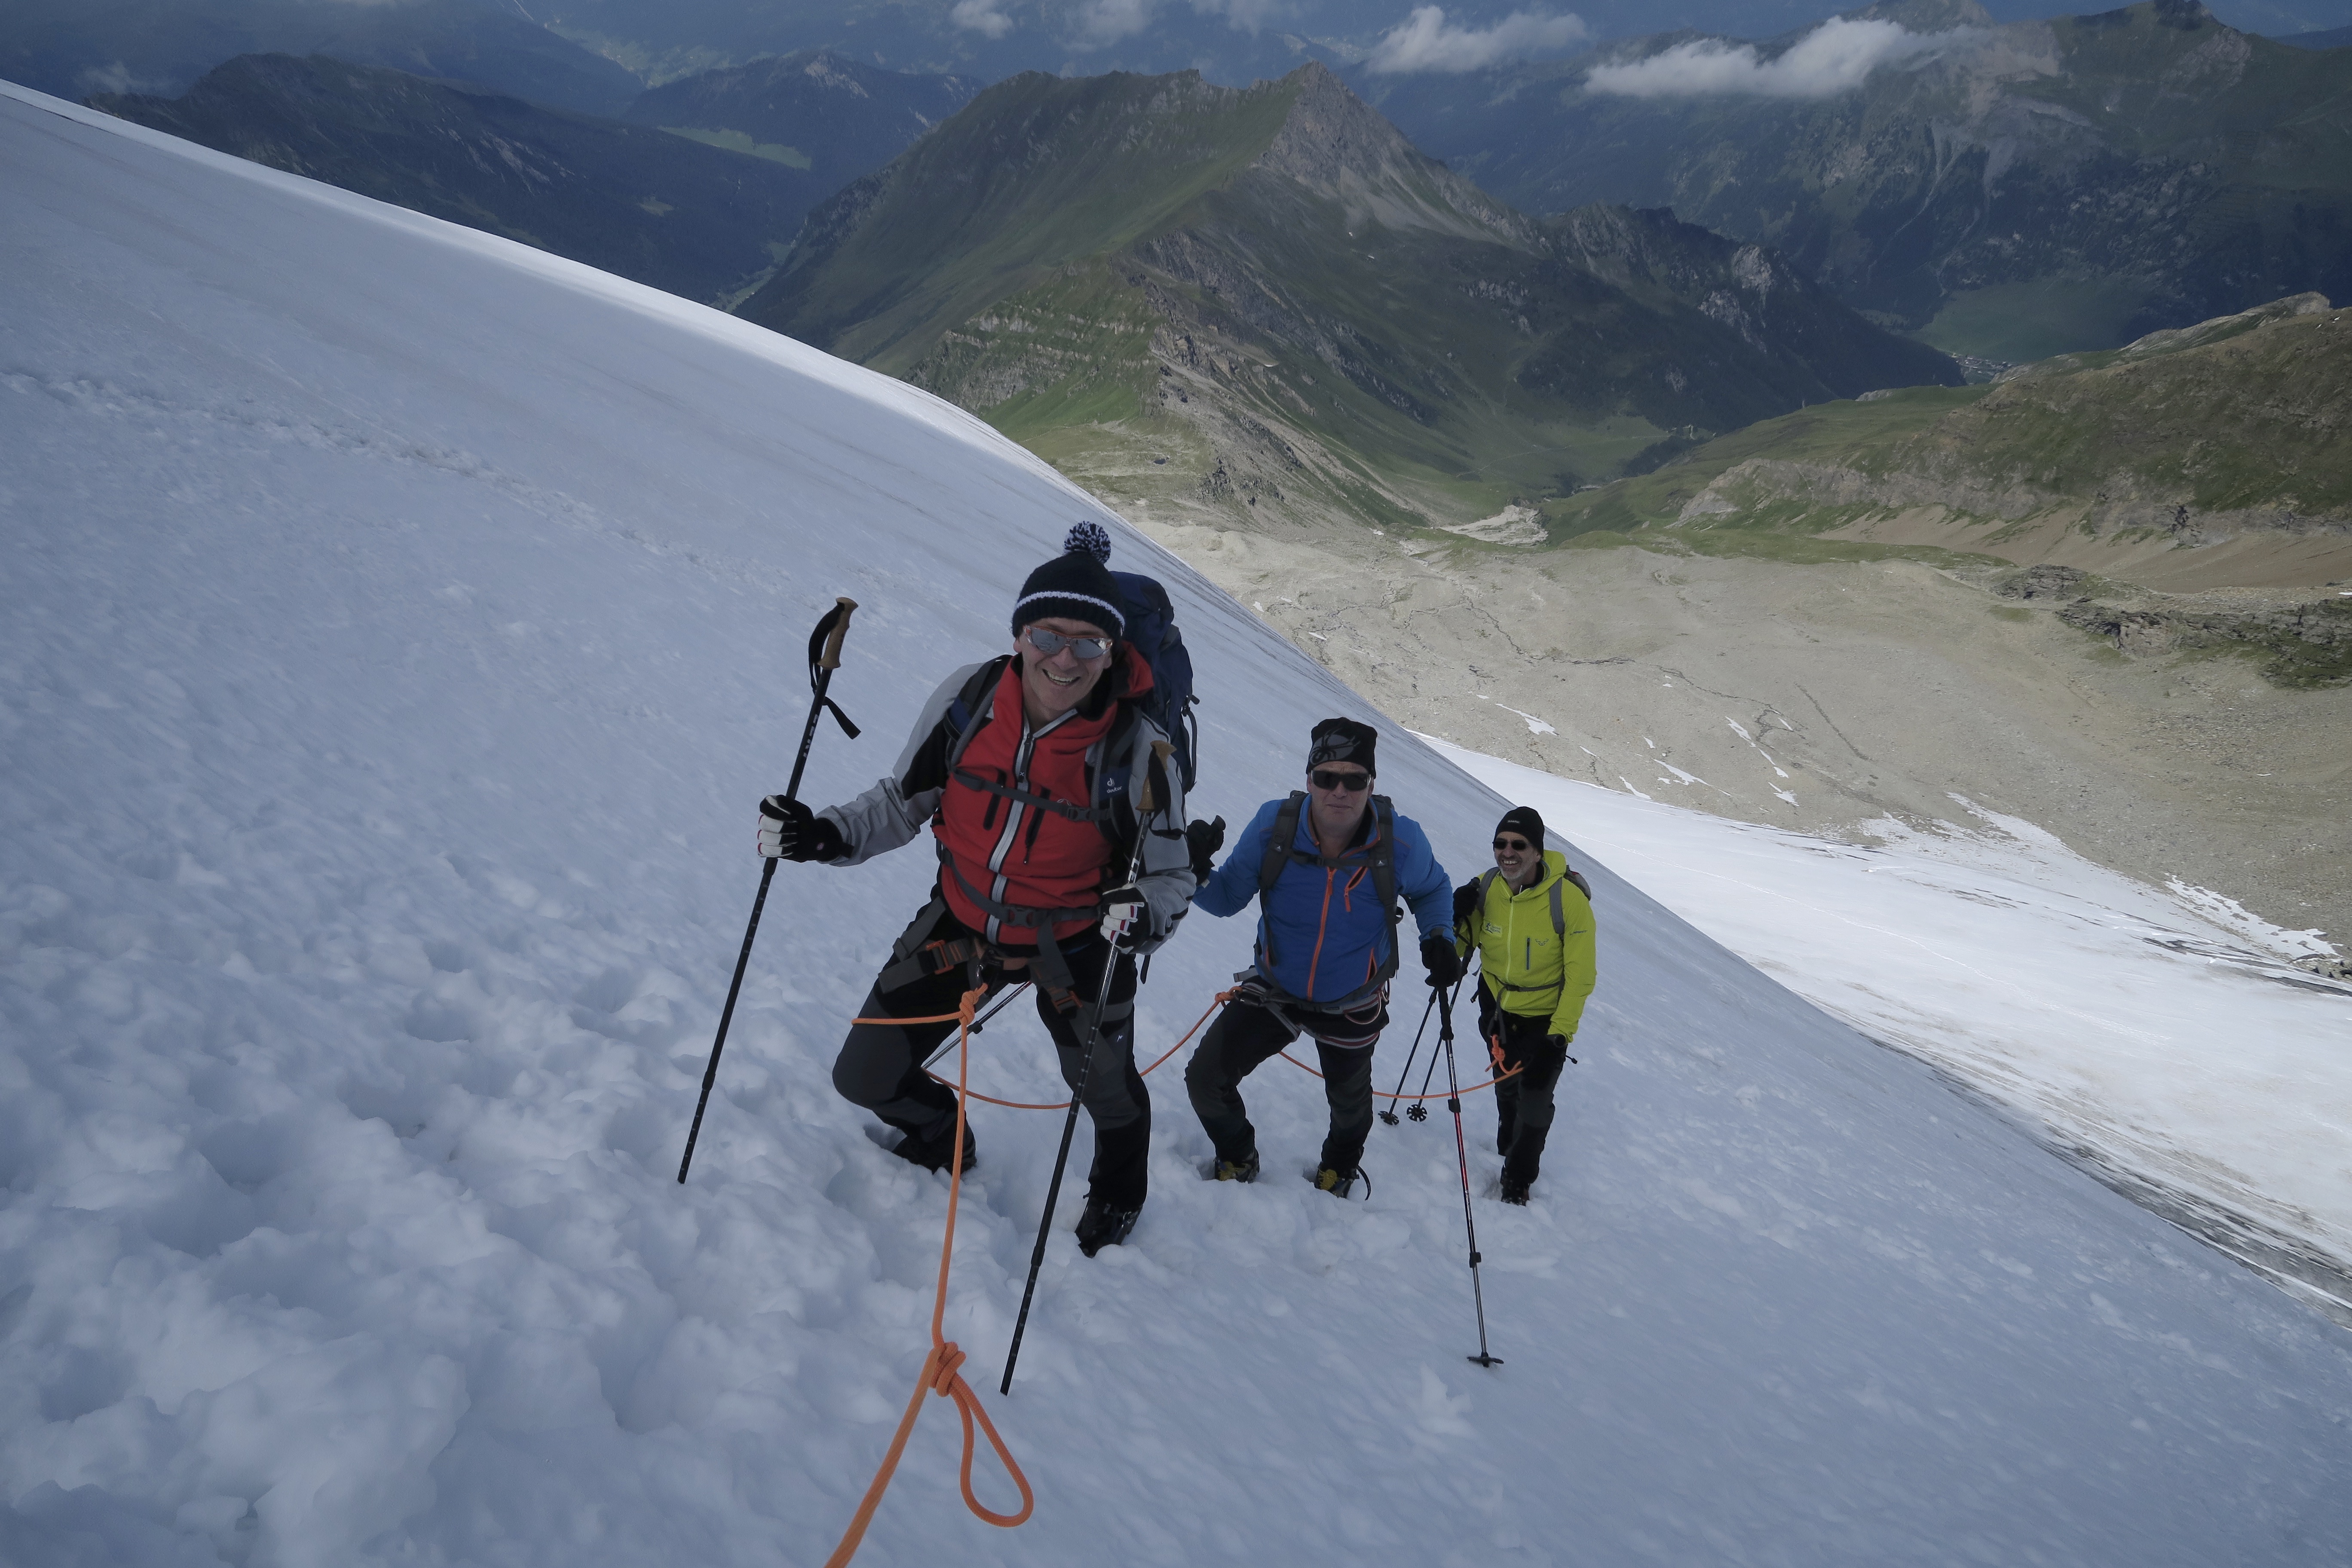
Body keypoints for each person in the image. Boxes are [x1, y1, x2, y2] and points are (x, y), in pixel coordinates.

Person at [757, 539, 1194, 1256]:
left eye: (1090, 641)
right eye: (1047, 634)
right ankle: (940, 1134)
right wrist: (824, 834)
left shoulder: (1140, 751)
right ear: (1019, 635)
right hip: (961, 918)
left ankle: (1119, 1192)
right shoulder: (970, 699)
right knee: (862, 1075)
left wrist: (1141, 914)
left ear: (1113, 652)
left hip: (1079, 941)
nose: (1065, 658)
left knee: (1107, 1092)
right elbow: (904, 802)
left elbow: (1172, 876)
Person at [1185, 719, 1455, 1194]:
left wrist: (1439, 936)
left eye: (1355, 779)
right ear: (1309, 779)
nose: (1340, 790)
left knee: (1351, 1111)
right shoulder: (1275, 826)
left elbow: (1433, 889)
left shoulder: (1400, 841)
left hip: (1352, 996)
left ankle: (1339, 1170)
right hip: (1275, 989)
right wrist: (1195, 872)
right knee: (1206, 1079)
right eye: (1327, 777)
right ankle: (1237, 1156)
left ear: (1372, 785)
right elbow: (1226, 899)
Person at [1453, 805, 1596, 1205]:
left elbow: (1581, 976)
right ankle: (1506, 1130)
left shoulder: (1567, 900)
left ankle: (1518, 1178)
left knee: (1534, 1101)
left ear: (1538, 851)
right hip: (1497, 1005)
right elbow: (1460, 949)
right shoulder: (1486, 888)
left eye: (1519, 844)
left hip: (1546, 1018)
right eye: (1500, 844)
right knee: (1505, 1081)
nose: (1507, 852)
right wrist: (1456, 919)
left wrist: (1560, 1033)